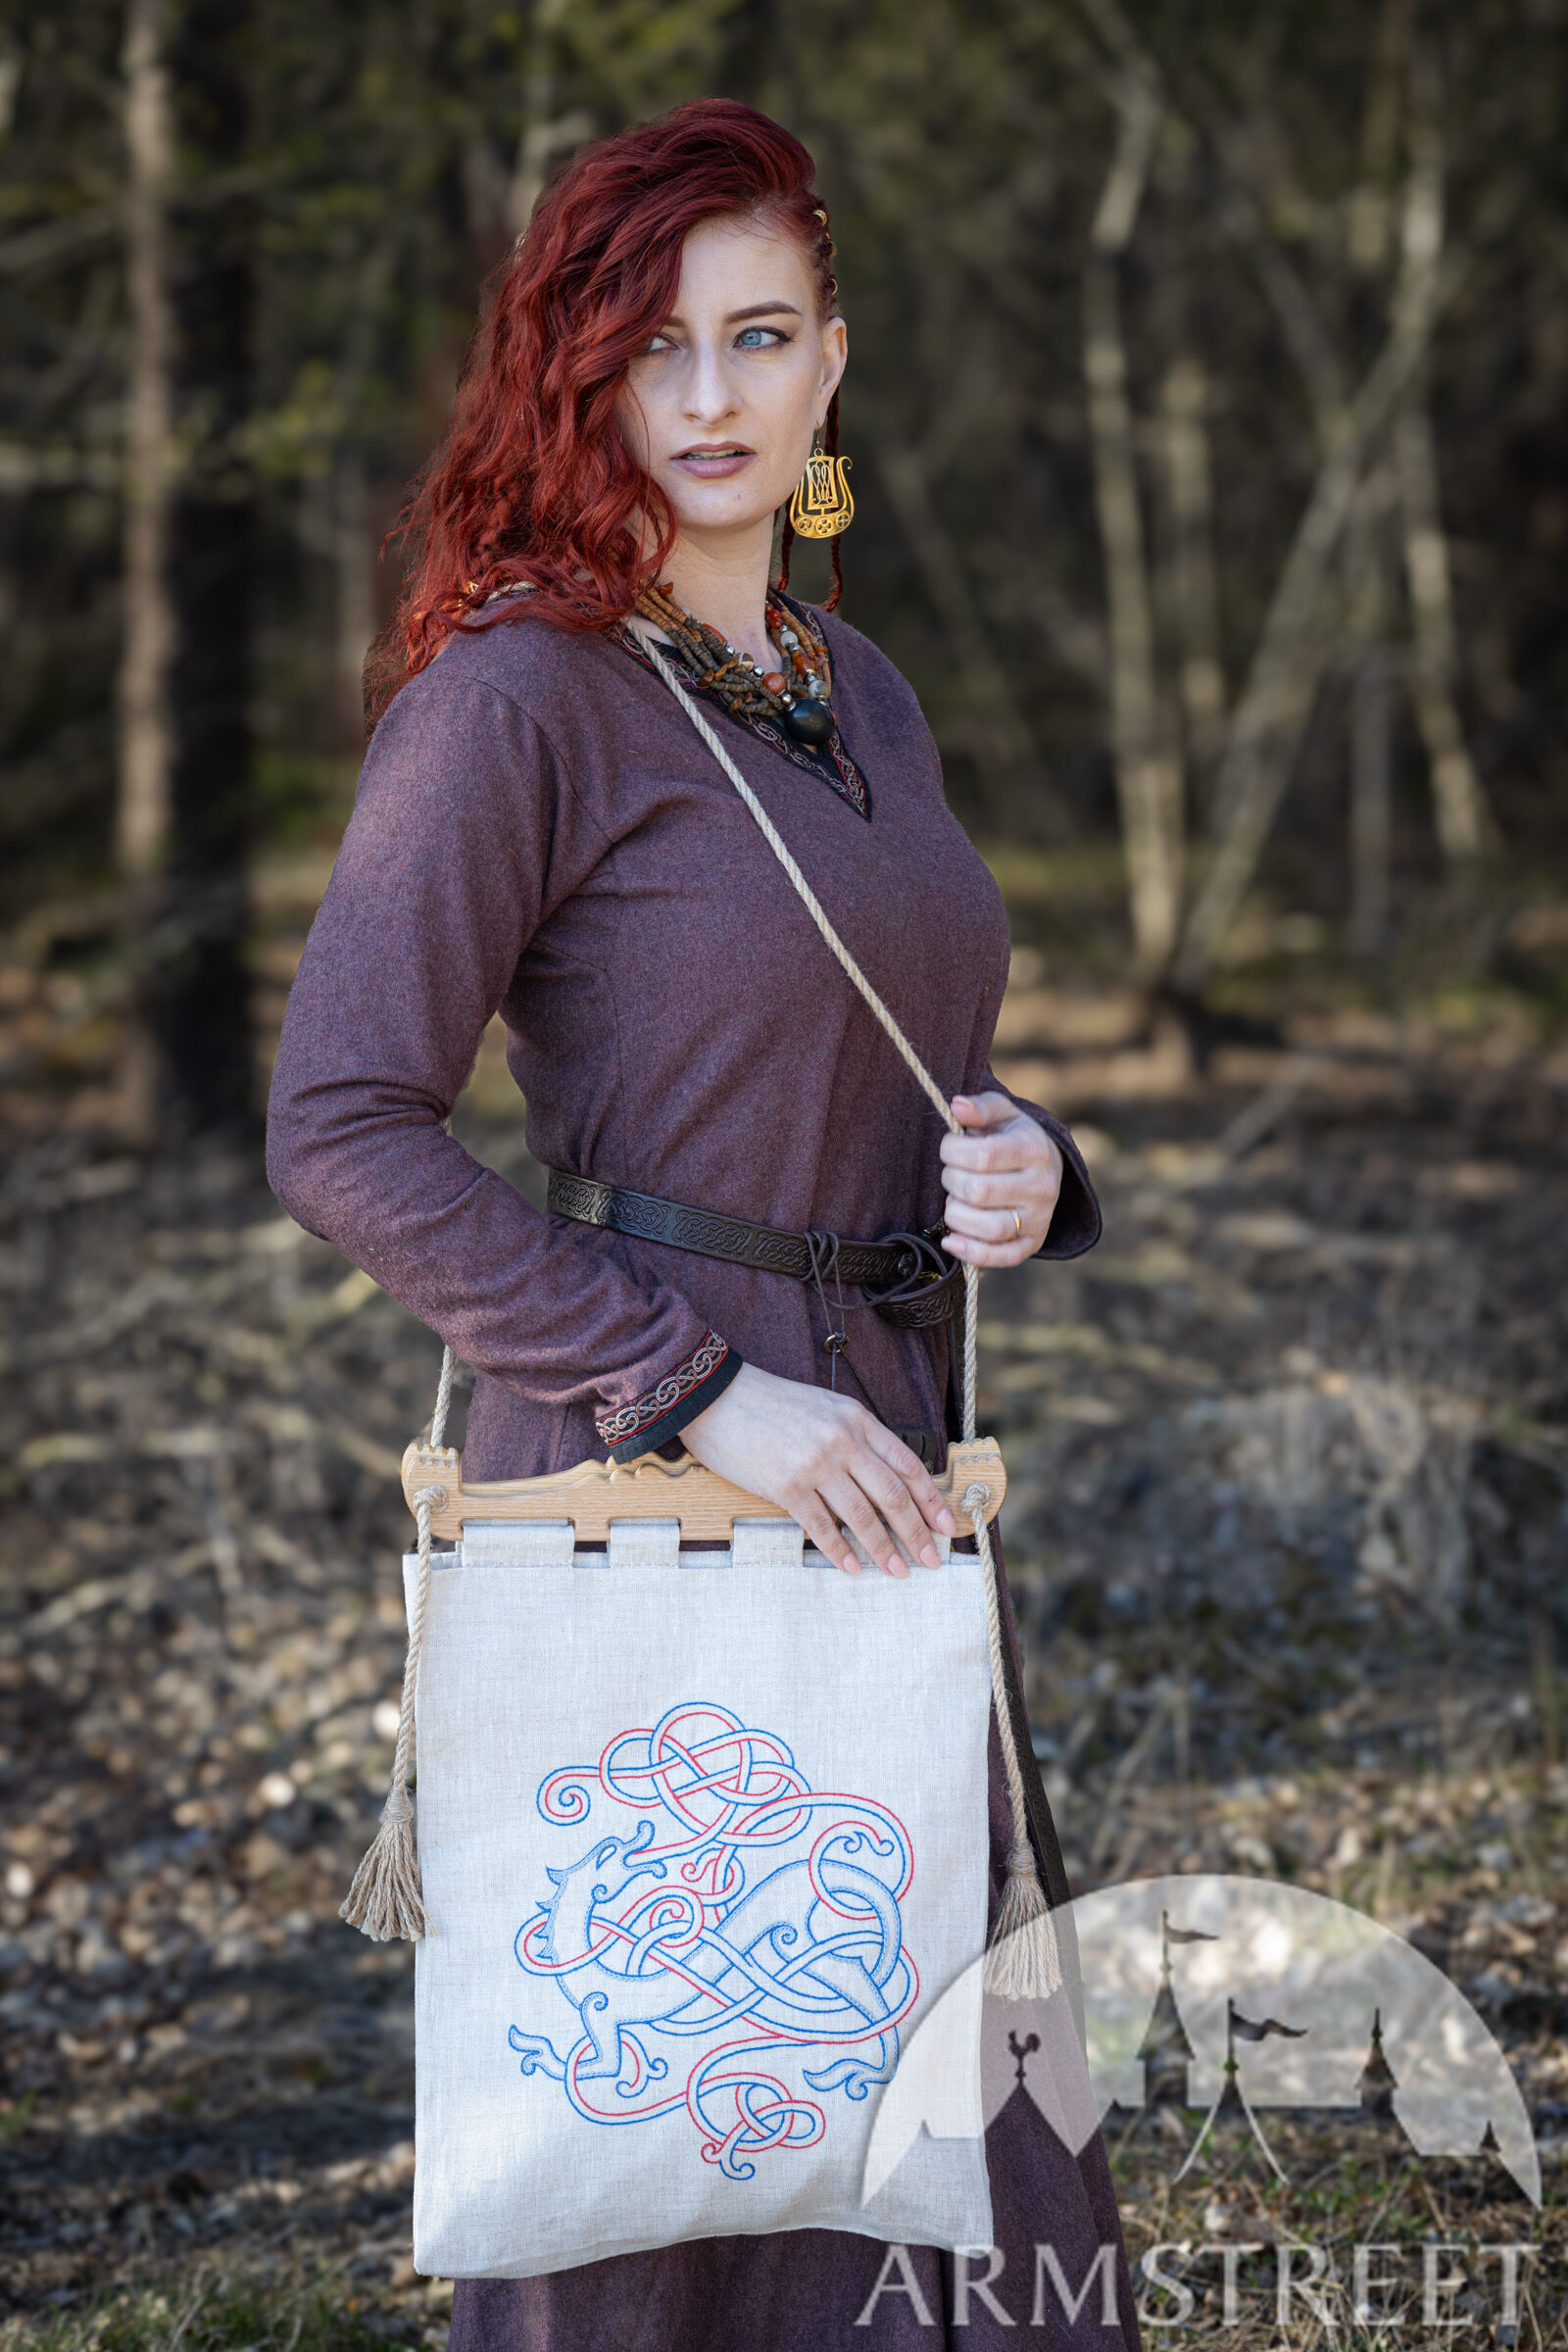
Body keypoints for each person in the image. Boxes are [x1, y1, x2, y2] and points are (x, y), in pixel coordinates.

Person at [267, 96, 1138, 2352]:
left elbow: (890, 1047)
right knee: (657, 2124)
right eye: (651, 345)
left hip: (887, 1457)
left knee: (951, 2121)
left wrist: (1029, 1164)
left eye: (756, 336)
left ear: (831, 362)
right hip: (649, 1464)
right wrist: (695, 1393)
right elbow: (338, 1123)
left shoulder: (866, 695)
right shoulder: (517, 696)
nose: (710, 394)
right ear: (580, 376)